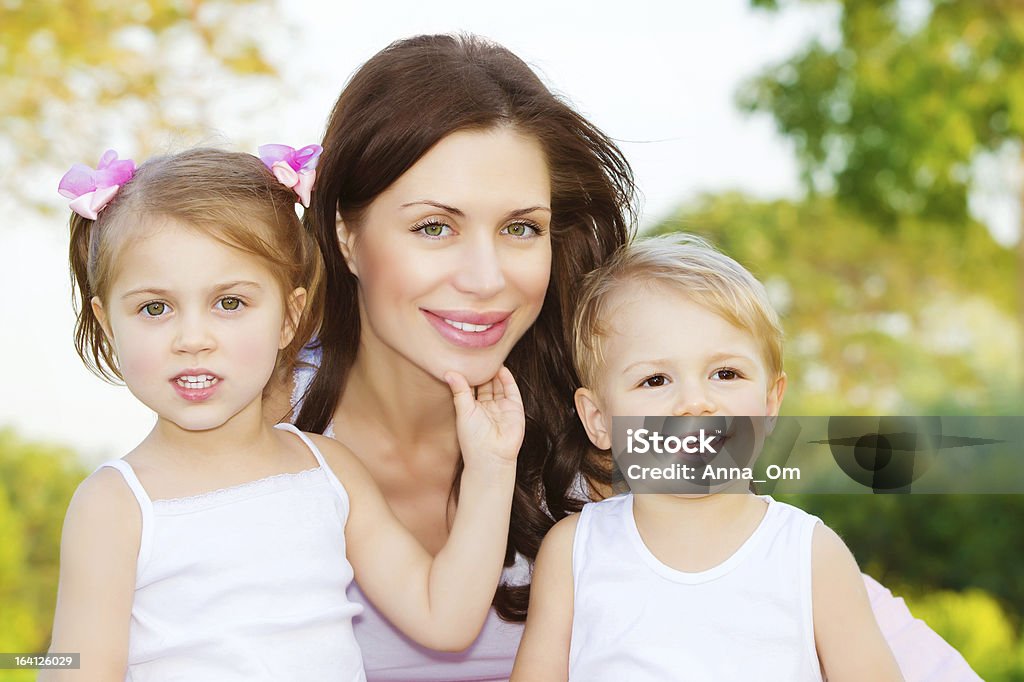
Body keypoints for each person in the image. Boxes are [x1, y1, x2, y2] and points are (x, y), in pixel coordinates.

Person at [281, 32, 981, 682]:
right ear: (345, 233)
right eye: (434, 227)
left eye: (522, 228)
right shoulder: (251, 432)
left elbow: (806, 594)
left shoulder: (607, 434)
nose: (486, 277)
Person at [45, 145, 525, 681]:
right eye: (154, 308)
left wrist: (490, 469)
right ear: (108, 325)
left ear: (290, 318)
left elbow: (446, 620)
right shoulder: (114, 505)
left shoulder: (327, 470)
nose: (193, 339)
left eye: (230, 303)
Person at [511, 234, 906, 680]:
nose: (696, 403)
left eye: (725, 373)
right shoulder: (574, 551)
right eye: (656, 380)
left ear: (770, 402)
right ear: (598, 418)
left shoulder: (809, 554)